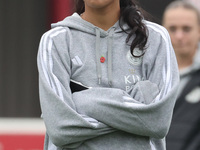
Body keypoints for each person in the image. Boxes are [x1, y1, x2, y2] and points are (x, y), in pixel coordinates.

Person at [37, 0, 179, 149]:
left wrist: (82, 102)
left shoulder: (154, 38)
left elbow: (157, 123)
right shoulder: (55, 41)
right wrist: (136, 117)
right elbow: (61, 129)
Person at [162, 1, 200, 150]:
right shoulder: (147, 73)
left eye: (186, 29)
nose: (179, 36)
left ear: (199, 30)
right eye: (172, 28)